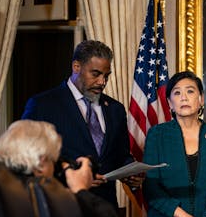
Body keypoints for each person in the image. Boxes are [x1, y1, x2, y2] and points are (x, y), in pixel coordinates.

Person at [21, 40, 142, 207]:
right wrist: (71, 176)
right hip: (62, 209)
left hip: (106, 212)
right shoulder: (43, 105)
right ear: (76, 67)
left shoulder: (115, 109)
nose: (102, 82)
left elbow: (120, 155)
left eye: (106, 76)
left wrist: (131, 173)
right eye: (96, 74)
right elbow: (26, 157)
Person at [142, 71, 206, 217]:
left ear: (200, 99)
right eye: (177, 93)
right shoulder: (157, 135)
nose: (184, 97)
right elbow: (151, 186)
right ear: (170, 103)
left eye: (190, 91)